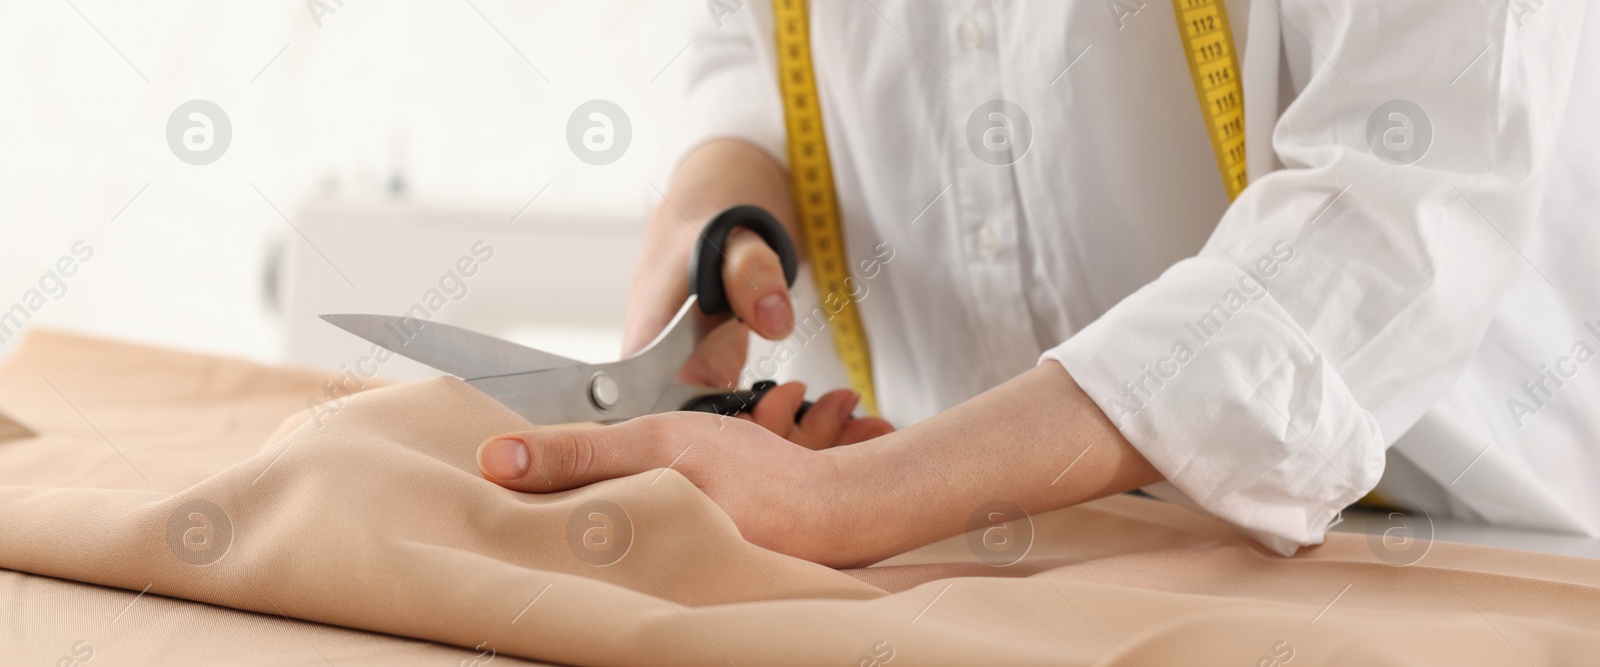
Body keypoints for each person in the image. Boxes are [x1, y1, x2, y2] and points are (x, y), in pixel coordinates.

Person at [475, 1, 1599, 567]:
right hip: (949, 559)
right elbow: (751, 46)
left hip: (1432, 558)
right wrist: (714, 210)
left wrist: (857, 501)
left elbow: (1387, 222)